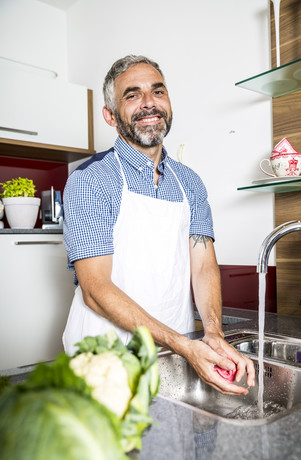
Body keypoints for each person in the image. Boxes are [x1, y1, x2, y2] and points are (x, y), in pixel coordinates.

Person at [63, 54, 255, 395]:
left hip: (175, 353)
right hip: (106, 358)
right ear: (110, 115)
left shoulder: (189, 182)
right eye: (132, 94)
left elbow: (203, 265)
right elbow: (95, 292)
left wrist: (212, 333)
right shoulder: (90, 181)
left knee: (172, 447)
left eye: (157, 91)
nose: (148, 103)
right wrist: (184, 344)